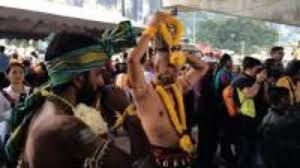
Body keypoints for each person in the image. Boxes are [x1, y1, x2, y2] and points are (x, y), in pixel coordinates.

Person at [2, 21, 136, 168]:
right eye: (97, 74)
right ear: (79, 79)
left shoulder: (42, 104)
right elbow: (137, 164)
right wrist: (128, 111)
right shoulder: (69, 127)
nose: (101, 83)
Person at [128, 12, 209, 167]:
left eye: (175, 66)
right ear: (153, 63)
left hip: (186, 156)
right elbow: (133, 60)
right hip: (158, 162)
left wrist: (180, 53)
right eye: (167, 65)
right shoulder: (144, 93)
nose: (171, 71)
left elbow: (203, 67)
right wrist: (151, 29)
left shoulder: (178, 86)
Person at [232, 57, 269, 168]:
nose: (259, 72)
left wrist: (264, 81)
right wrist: (258, 81)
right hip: (246, 119)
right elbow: (249, 94)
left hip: (256, 119)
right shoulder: (241, 79)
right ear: (248, 68)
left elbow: (265, 97)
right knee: (246, 150)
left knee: (253, 149)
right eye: (257, 69)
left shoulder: (255, 79)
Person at [260, 87, 300, 168]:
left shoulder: (282, 113)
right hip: (284, 159)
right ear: (282, 99)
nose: (290, 99)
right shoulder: (275, 121)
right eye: (288, 97)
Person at [213, 54, 236, 166]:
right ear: (227, 62)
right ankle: (225, 154)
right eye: (231, 61)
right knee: (225, 131)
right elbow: (227, 89)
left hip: (224, 105)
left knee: (225, 131)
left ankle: (225, 153)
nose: (232, 63)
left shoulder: (225, 72)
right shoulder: (223, 73)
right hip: (223, 106)